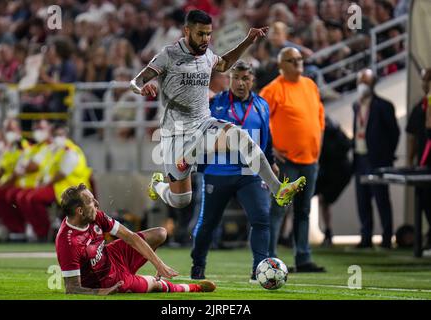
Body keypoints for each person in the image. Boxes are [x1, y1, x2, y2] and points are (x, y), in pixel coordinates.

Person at [129, 10, 306, 213]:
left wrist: (248, 40)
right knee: (181, 200)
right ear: (187, 31)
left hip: (203, 123)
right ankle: (159, 185)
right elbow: (136, 80)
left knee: (240, 136)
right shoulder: (169, 55)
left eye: (208, 34)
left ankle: (278, 190)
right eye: (200, 34)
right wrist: (141, 89)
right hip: (175, 132)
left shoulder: (207, 55)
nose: (205, 39)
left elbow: (224, 64)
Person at [190, 60, 277, 283]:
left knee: (261, 218)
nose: (240, 83)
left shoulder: (262, 105)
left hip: (250, 174)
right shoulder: (214, 103)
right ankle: (198, 263)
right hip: (218, 172)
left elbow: (266, 138)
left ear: (252, 80)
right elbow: (202, 138)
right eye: (236, 78)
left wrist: (271, 161)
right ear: (229, 79)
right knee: (208, 223)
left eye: (245, 78)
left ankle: (259, 269)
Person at [56, 183, 216, 295]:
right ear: (80, 211)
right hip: (107, 280)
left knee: (160, 233)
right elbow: (72, 288)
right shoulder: (68, 242)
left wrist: (158, 264)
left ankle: (137, 275)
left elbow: (130, 237)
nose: (97, 203)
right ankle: (194, 288)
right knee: (155, 285)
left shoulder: (96, 215)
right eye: (91, 201)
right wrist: (101, 292)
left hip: (112, 256)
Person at [260, 47, 326, 273]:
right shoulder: (273, 89)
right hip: (286, 161)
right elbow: (259, 120)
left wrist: (318, 147)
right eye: (292, 60)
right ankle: (269, 259)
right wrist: (271, 149)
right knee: (279, 209)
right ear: (281, 65)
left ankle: (303, 258)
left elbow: (319, 118)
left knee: (304, 210)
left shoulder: (310, 85)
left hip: (310, 160)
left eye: (300, 59)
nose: (298, 63)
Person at [15, 124, 92, 241]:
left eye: (60, 135)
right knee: (25, 198)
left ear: (66, 136)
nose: (58, 138)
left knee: (32, 198)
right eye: (56, 135)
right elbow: (46, 169)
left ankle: (44, 232)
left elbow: (62, 173)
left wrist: (45, 183)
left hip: (70, 189)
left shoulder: (70, 151)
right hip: (58, 187)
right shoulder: (56, 151)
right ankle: (40, 231)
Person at [352, 68, 400, 249]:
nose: (362, 84)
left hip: (377, 160)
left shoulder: (383, 105)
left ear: (373, 84)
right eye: (360, 81)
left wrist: (386, 155)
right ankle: (366, 237)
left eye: (366, 81)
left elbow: (394, 132)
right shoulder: (356, 105)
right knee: (362, 200)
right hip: (360, 158)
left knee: (381, 199)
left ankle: (387, 237)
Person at [315, 116, 353, 246]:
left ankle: (328, 233)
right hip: (329, 171)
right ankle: (328, 232)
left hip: (335, 172)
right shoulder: (333, 129)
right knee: (322, 201)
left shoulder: (331, 132)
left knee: (323, 200)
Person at [405, 68, 431, 249]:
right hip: (424, 163)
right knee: (425, 201)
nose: (424, 84)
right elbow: (413, 136)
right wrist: (410, 160)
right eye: (423, 81)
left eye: (427, 81)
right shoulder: (420, 107)